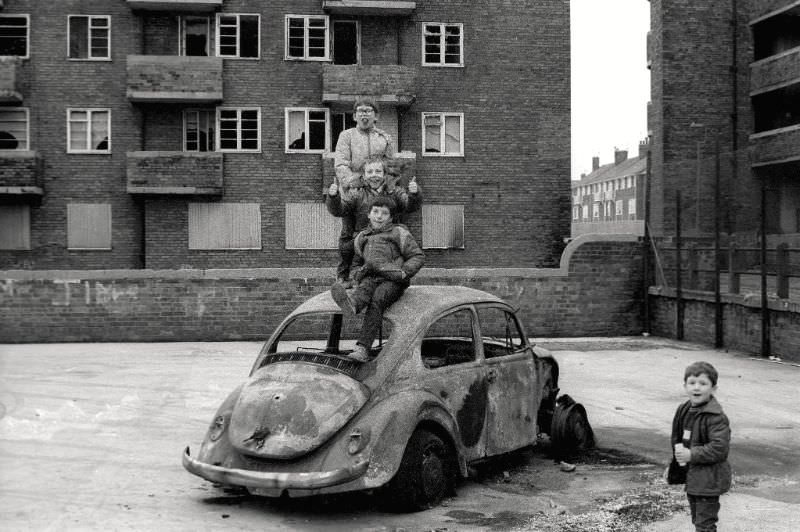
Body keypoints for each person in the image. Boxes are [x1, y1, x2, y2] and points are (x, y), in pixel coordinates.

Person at [330, 196, 424, 363]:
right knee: (364, 290)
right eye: (375, 212)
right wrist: (357, 274)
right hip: (371, 276)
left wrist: (404, 272)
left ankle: (363, 348)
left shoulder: (399, 233)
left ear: (391, 217)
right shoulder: (362, 237)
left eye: (384, 213)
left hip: (393, 280)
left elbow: (417, 256)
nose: (379, 216)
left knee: (377, 300)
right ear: (368, 214)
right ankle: (352, 304)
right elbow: (357, 262)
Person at [326, 155, 421, 284]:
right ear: (364, 176)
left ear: (385, 174)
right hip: (364, 237)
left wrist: (414, 194)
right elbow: (340, 209)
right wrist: (333, 197)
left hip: (387, 238)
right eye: (369, 172)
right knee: (351, 253)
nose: (374, 175)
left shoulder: (395, 192)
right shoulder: (356, 193)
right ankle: (348, 280)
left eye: (378, 171)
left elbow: (409, 206)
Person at [331, 97, 396, 284]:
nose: (364, 114)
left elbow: (390, 167)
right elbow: (341, 164)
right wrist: (356, 181)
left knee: (378, 232)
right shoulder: (347, 136)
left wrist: (385, 186)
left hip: (377, 193)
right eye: (360, 111)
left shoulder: (384, 138)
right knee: (348, 235)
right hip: (354, 192)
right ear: (354, 116)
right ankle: (343, 275)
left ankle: (375, 274)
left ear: (376, 116)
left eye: (368, 111)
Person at [671, 361, 732, 532]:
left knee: (705, 524)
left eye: (703, 384)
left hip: (709, 480)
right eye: (692, 383)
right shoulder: (684, 409)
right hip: (693, 478)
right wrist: (674, 466)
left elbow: (719, 448)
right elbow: (679, 441)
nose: (696, 388)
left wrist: (691, 455)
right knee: (698, 520)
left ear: (713, 388)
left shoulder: (715, 417)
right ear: (685, 386)